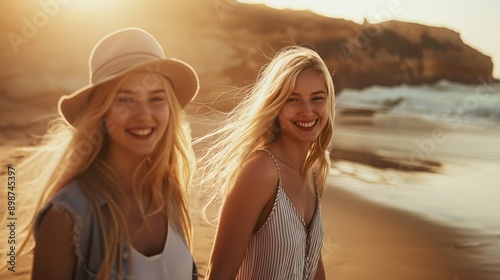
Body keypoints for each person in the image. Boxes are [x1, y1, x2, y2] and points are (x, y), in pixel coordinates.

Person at [4, 27, 200, 279]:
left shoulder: (170, 197)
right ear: (102, 114)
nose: (143, 115)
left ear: (171, 110)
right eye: (125, 100)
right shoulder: (66, 218)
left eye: (156, 98)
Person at [195, 46, 336, 280]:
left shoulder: (314, 172)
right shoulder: (261, 171)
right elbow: (219, 273)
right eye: (293, 100)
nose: (307, 111)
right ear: (276, 105)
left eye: (317, 98)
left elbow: (312, 262)